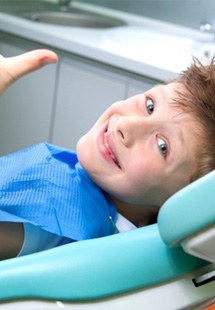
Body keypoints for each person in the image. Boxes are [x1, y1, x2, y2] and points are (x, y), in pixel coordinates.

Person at [0, 51, 214, 260]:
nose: (127, 125)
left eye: (162, 146)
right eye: (150, 106)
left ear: (181, 199)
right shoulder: (125, 236)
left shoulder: (58, 225)